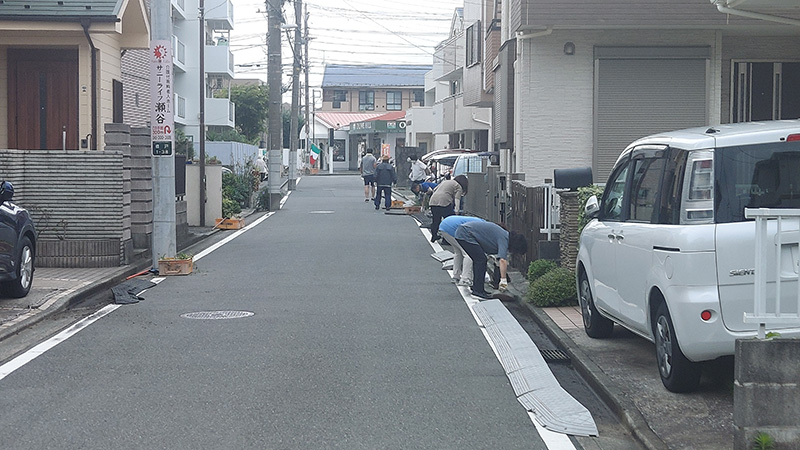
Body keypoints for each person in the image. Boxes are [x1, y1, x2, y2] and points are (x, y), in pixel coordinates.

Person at [454, 221, 528, 300]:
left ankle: (478, 288)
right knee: (481, 260)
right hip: (465, 234)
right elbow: (502, 260)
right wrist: (503, 280)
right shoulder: (504, 238)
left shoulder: (504, 235)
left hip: (464, 232)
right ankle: (477, 291)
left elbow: (499, 259)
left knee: (479, 259)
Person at [439, 215, 484, 286]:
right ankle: (465, 279)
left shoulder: (479, 221)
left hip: (445, 226)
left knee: (458, 252)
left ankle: (456, 276)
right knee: (468, 254)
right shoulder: (482, 225)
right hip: (452, 229)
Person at [428, 174, 468, 242]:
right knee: (449, 221)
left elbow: (434, 189)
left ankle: (434, 236)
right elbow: (457, 199)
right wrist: (457, 211)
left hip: (433, 201)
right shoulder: (458, 186)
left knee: (436, 220)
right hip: (444, 202)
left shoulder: (445, 181)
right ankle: (446, 239)